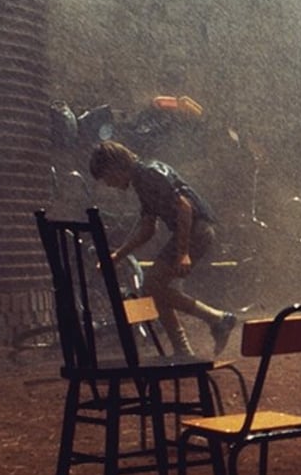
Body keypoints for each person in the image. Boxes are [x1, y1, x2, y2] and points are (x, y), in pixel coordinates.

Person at [88, 140, 238, 356]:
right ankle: (184, 348)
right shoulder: (141, 181)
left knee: (152, 285)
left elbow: (185, 208)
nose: (108, 184)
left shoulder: (151, 173)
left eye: (106, 177)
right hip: (188, 232)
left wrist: (183, 252)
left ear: (114, 167)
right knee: (153, 287)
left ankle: (217, 320)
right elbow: (148, 229)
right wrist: (118, 256)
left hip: (196, 230)